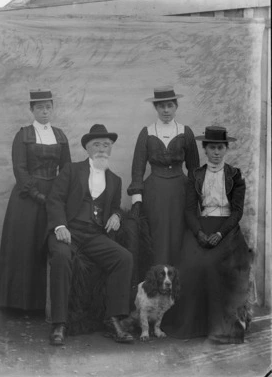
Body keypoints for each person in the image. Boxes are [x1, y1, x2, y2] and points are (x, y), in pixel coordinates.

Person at [46, 124, 134, 346]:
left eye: (107, 144)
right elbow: (54, 199)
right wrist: (59, 226)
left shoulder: (115, 180)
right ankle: (60, 323)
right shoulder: (71, 170)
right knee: (62, 257)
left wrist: (117, 216)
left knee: (123, 258)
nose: (102, 149)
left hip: (95, 235)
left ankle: (114, 319)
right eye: (97, 144)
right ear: (87, 148)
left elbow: (114, 206)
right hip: (68, 231)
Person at [171, 126, 253, 343]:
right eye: (212, 148)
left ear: (226, 149)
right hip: (201, 226)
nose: (216, 152)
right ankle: (193, 327)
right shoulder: (196, 175)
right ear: (205, 149)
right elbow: (189, 210)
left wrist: (220, 233)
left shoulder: (235, 176)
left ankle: (224, 329)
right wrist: (198, 233)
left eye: (220, 147)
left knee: (217, 265)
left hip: (227, 229)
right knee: (190, 265)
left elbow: (237, 211)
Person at [0, 89, 71, 311]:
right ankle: (18, 303)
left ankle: (40, 305)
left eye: (48, 107)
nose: (44, 112)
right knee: (24, 245)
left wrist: (56, 196)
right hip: (26, 198)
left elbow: (66, 169)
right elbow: (19, 169)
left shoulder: (60, 135)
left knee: (43, 245)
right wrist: (37, 194)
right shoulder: (23, 134)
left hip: (52, 195)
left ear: (52, 108)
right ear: (32, 110)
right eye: (40, 108)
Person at [127, 86, 200, 267]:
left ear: (176, 107)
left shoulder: (185, 132)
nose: (166, 110)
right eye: (161, 106)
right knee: (157, 233)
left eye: (170, 105)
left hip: (180, 191)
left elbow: (194, 168)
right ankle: (156, 281)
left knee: (179, 233)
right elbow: (137, 169)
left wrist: (195, 196)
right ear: (156, 109)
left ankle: (179, 284)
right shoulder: (147, 132)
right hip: (155, 191)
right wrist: (137, 200)